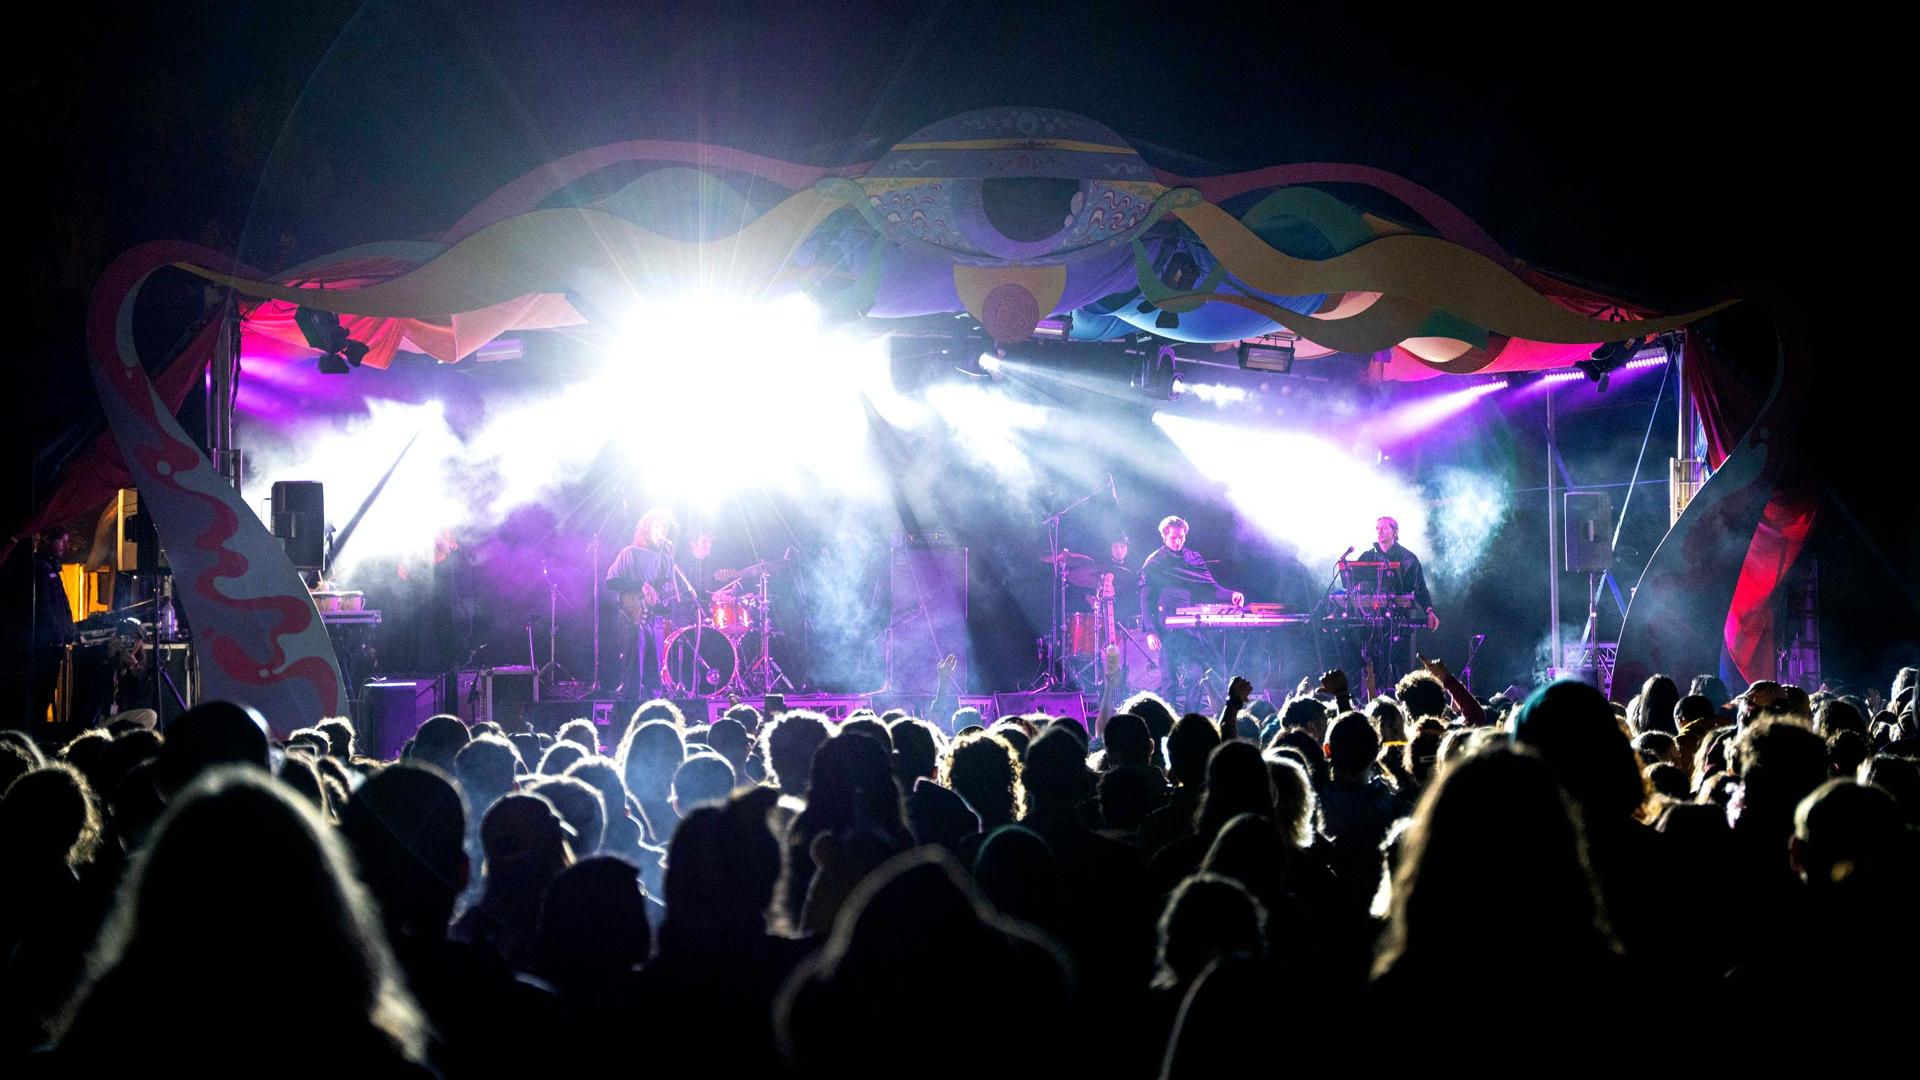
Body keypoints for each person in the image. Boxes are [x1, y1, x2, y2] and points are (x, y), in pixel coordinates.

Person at [1141, 516, 1243, 710]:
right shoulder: (1155, 561)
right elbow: (1146, 600)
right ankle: (1169, 722)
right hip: (1165, 626)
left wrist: (1232, 595)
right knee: (1169, 680)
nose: (1177, 541)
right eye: (1173, 537)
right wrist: (1150, 631)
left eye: (1181, 537)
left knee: (1197, 674)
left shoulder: (1193, 558)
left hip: (1189, 625)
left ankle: (1191, 720)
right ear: (1164, 536)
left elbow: (1212, 587)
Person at [604, 508, 690, 699]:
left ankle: (653, 712)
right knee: (633, 669)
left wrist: (665, 600)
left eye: (664, 527)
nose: (661, 531)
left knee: (655, 670)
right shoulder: (630, 553)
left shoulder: (666, 558)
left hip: (654, 618)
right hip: (632, 615)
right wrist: (640, 585)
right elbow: (611, 582)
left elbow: (661, 592)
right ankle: (628, 711)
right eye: (657, 526)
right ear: (646, 529)